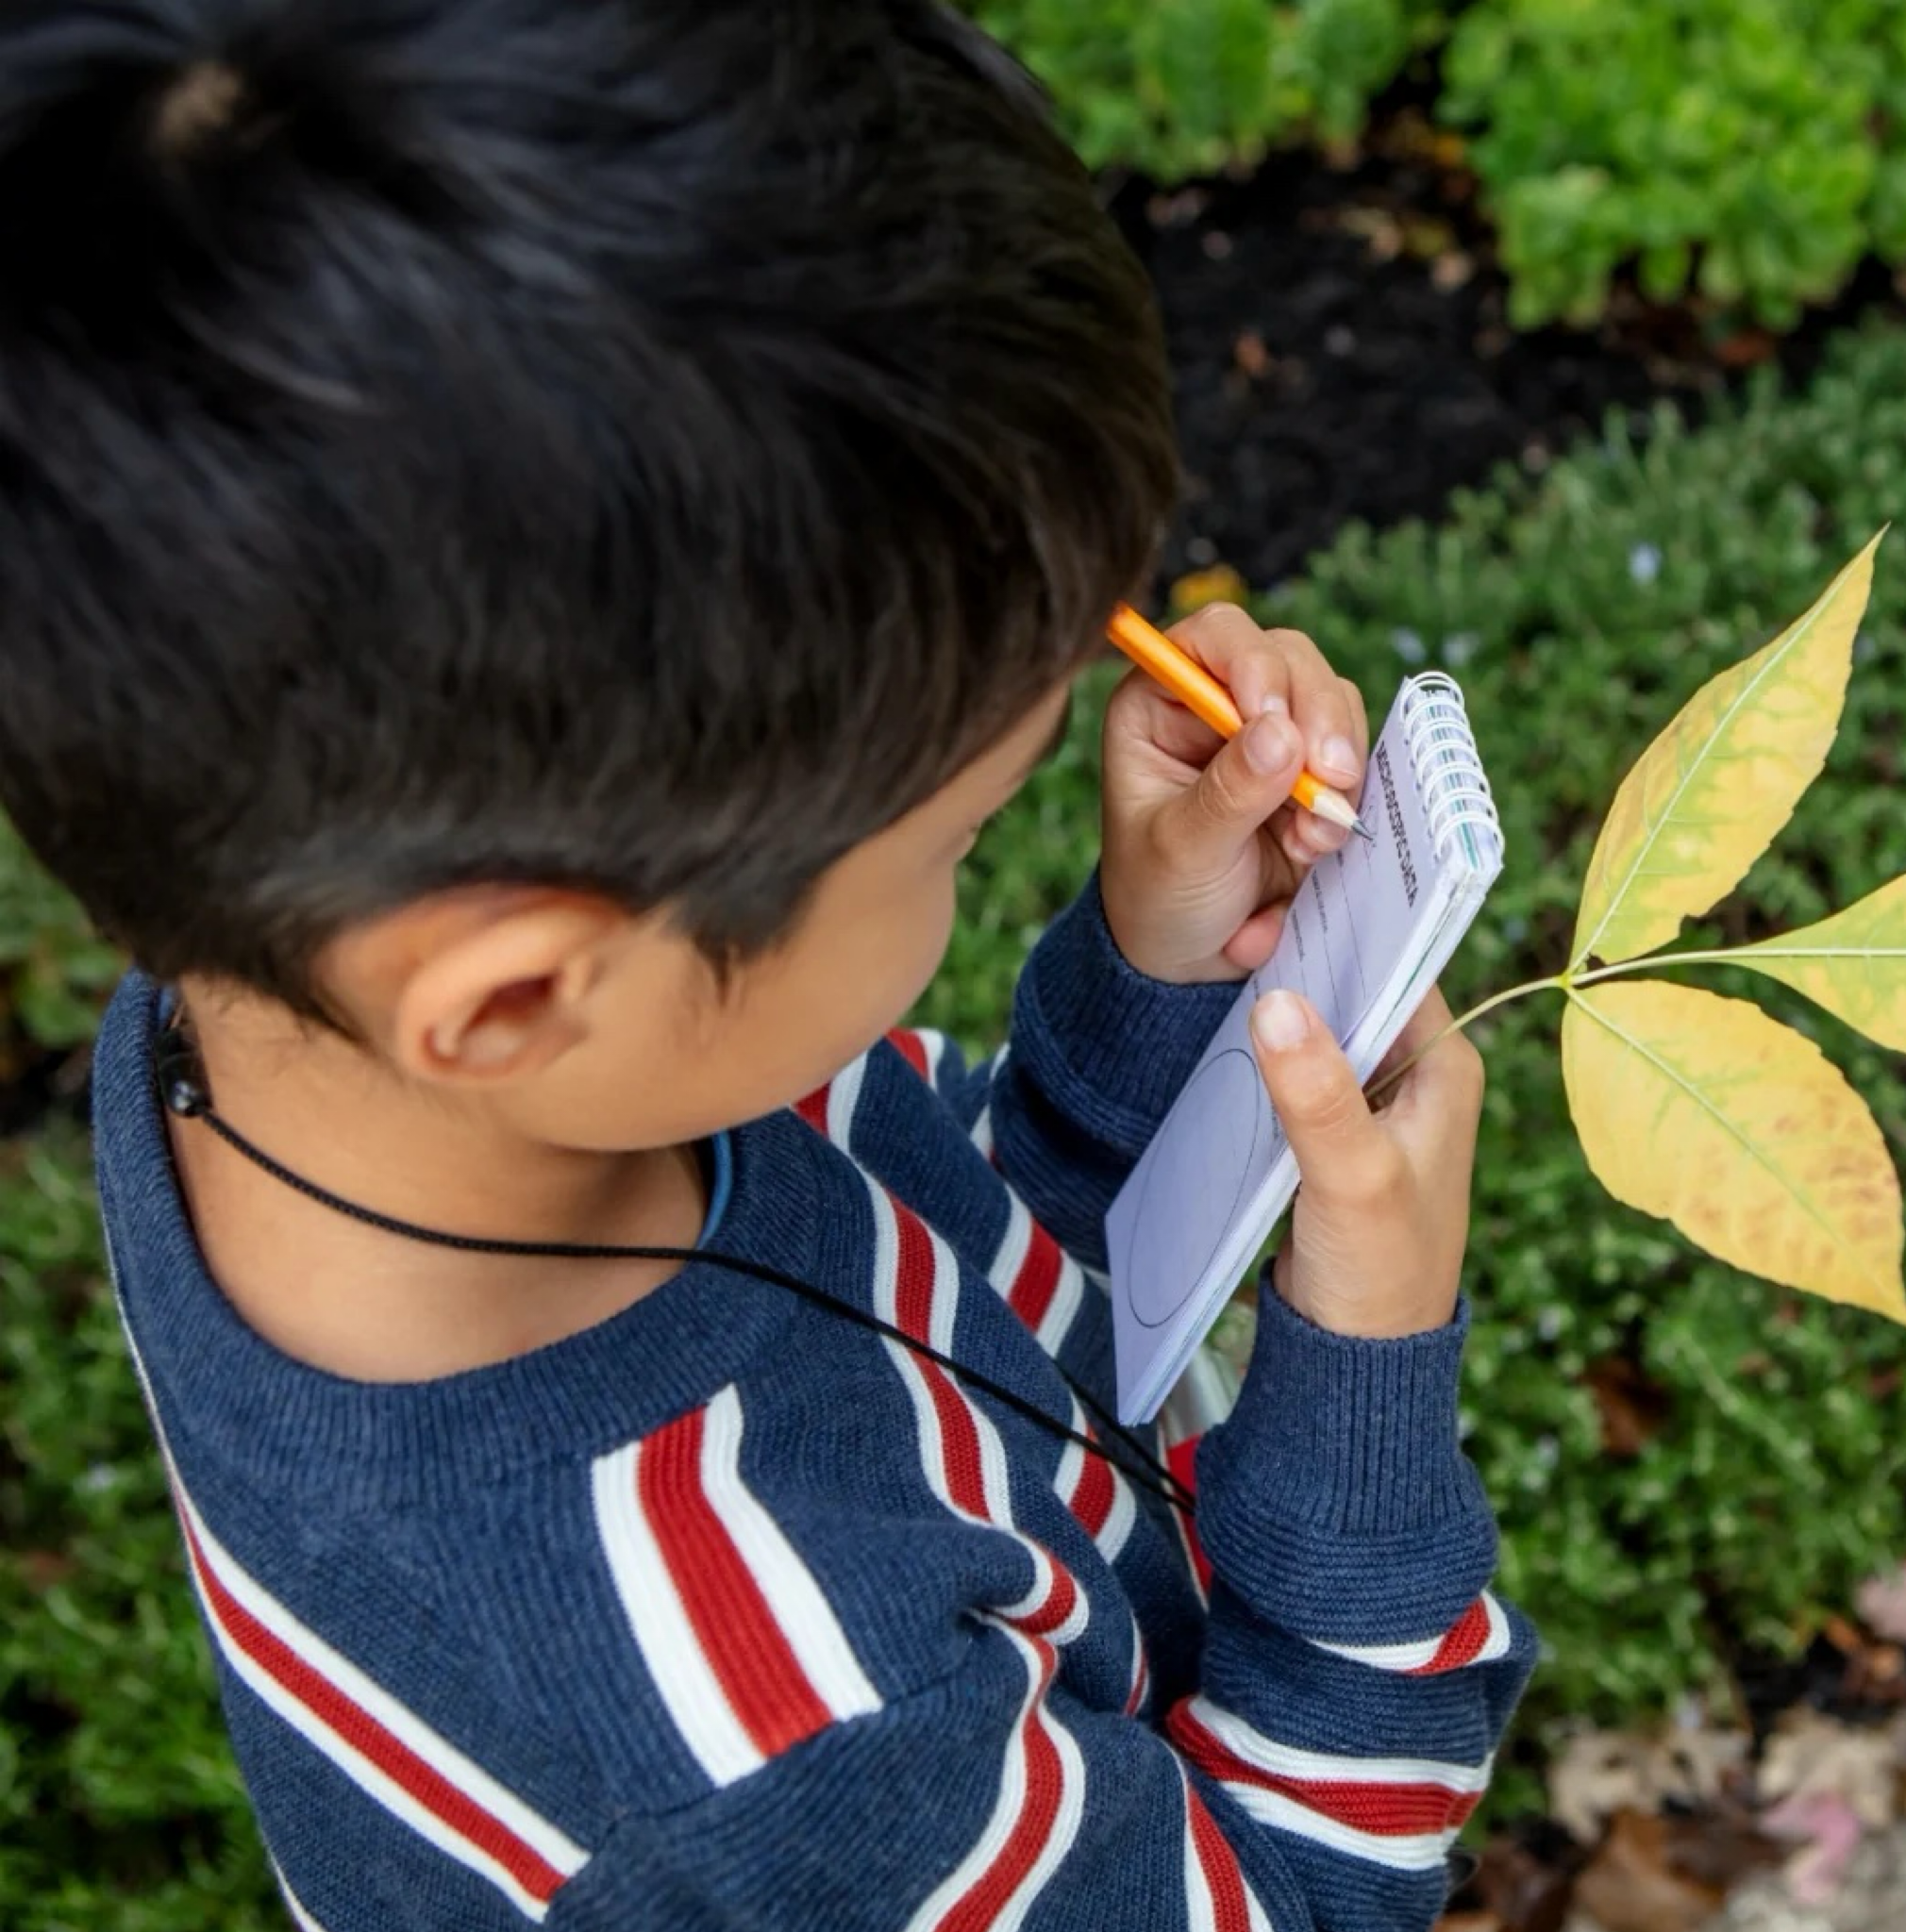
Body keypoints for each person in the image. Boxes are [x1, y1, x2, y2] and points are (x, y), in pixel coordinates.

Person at [2, 2, 1535, 1925]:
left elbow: (947, 1277)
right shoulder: (766, 1746)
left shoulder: (284, 1009)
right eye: (955, 842)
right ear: (509, 998)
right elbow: (1289, 1893)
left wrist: (1146, 988)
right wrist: (1361, 1375)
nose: (982, 862)